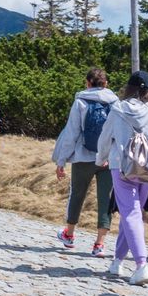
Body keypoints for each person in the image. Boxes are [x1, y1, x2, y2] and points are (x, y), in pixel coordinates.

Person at [95, 69, 148, 286]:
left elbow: (104, 137)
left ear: (128, 88)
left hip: (121, 166)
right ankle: (118, 261)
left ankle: (141, 265)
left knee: (130, 212)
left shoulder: (118, 109)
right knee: (133, 212)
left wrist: (100, 158)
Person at [52, 68, 118, 255]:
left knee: (77, 195)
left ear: (87, 82)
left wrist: (61, 161)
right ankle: (99, 244)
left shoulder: (80, 101)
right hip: (107, 159)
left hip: (83, 156)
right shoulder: (115, 102)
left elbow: (72, 133)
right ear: (106, 84)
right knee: (106, 199)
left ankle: (70, 235)